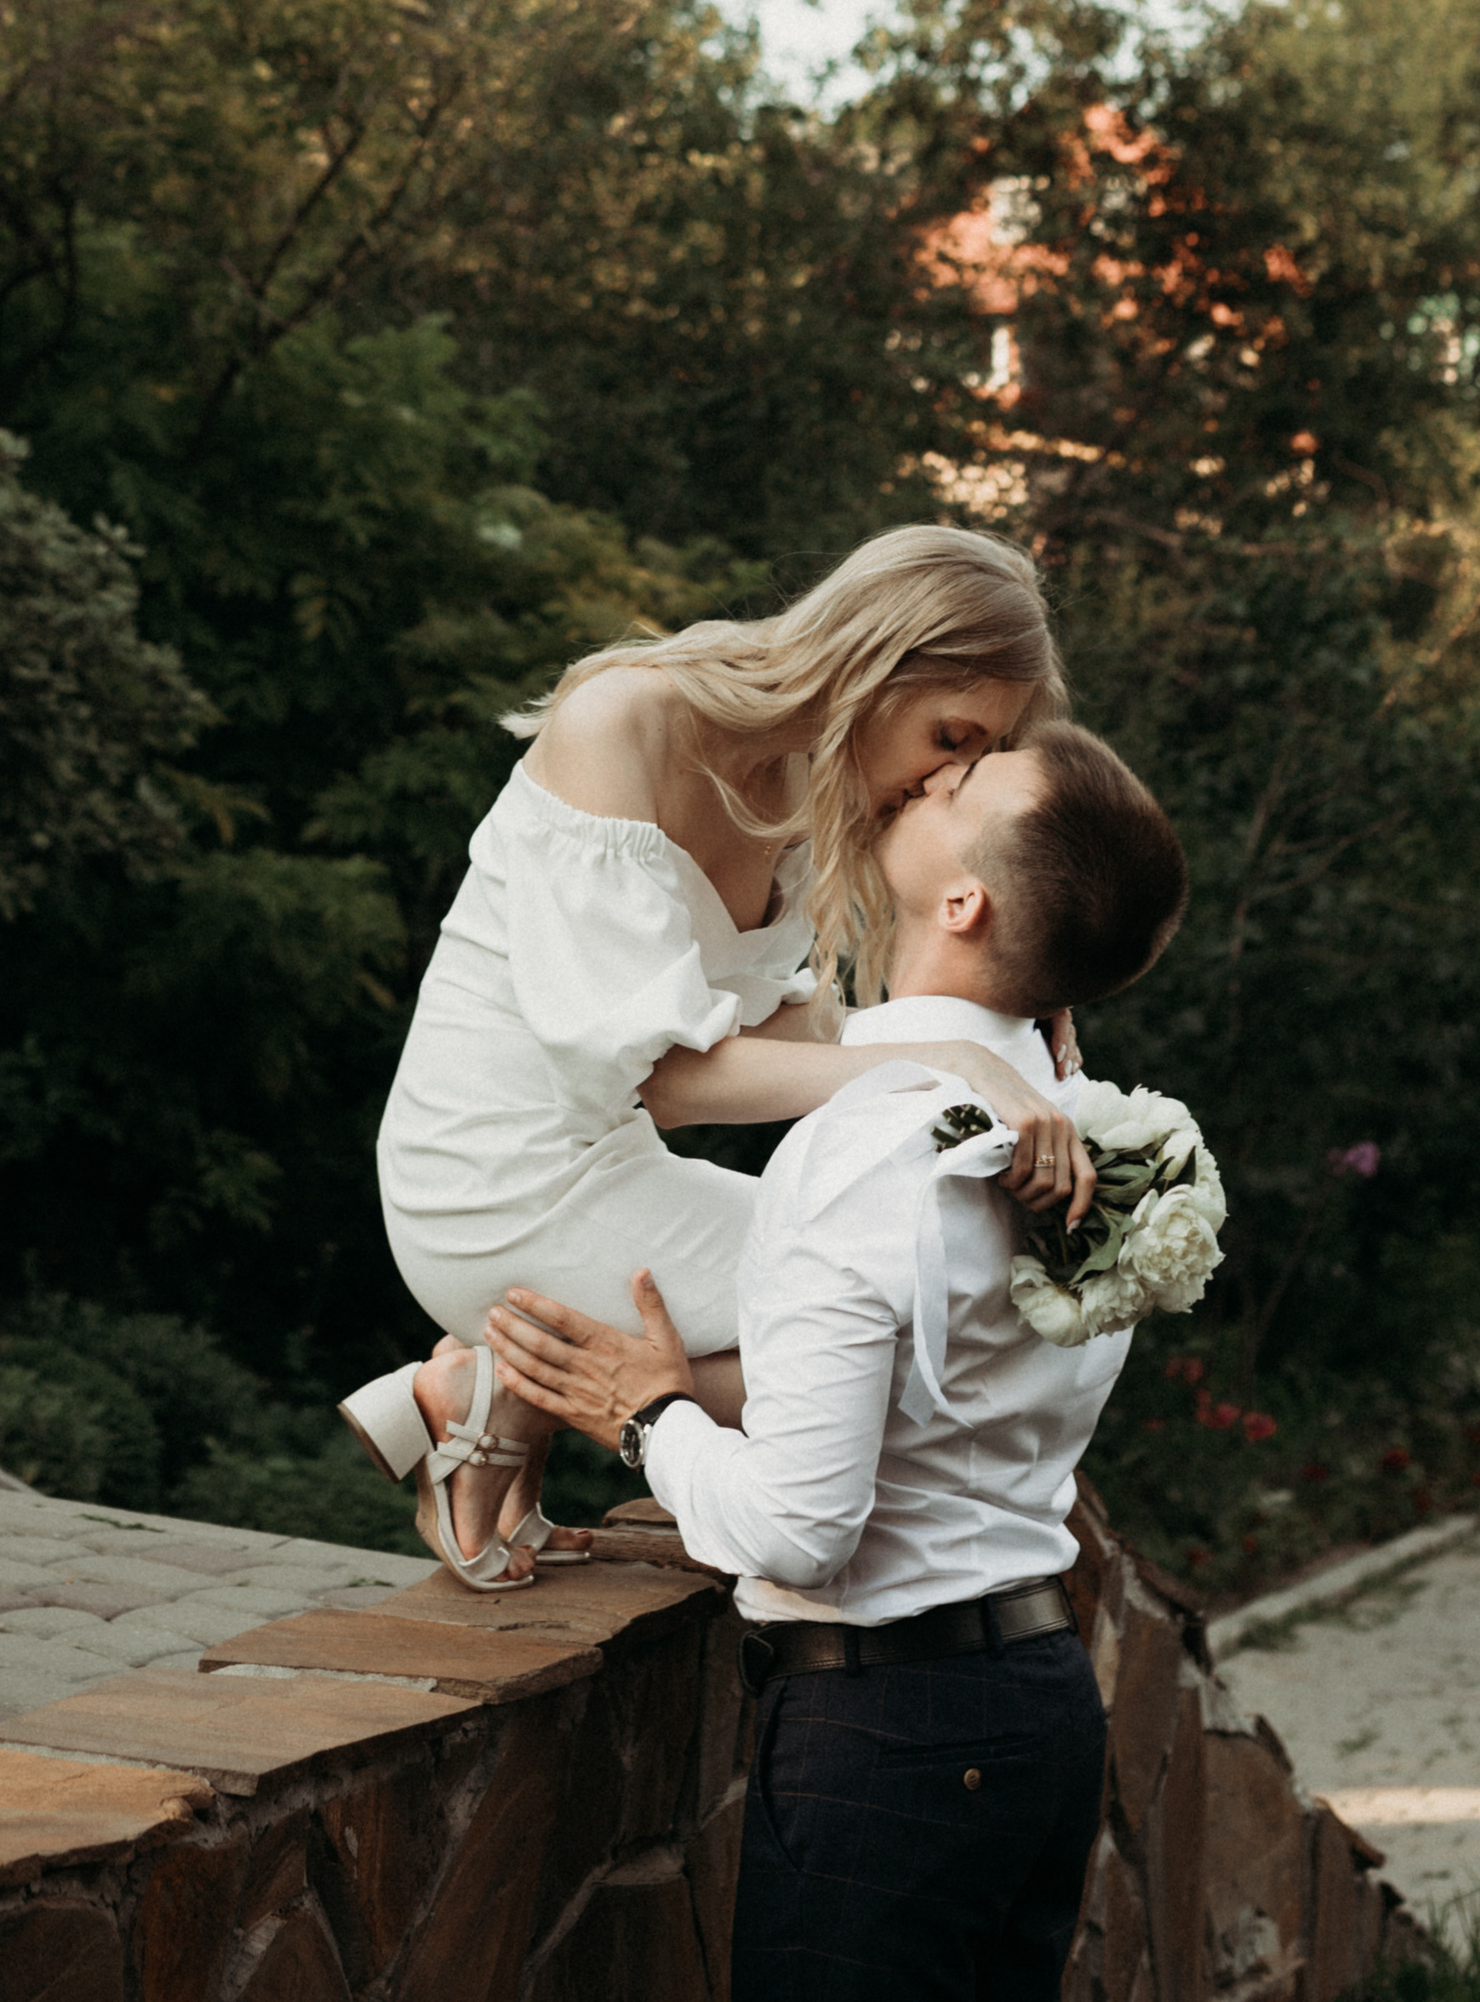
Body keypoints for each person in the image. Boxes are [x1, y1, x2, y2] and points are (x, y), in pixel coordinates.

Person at [489, 717, 1189, 2002]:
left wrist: (649, 1416)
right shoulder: (1084, 1121)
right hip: (1037, 1706)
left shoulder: (868, 1146)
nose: (923, 774)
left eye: (960, 779)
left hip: (896, 1739)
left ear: (965, 898)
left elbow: (803, 1526)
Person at [338, 526, 1101, 1590]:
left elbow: (786, 1042)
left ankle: (504, 1392)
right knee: (902, 1317)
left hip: (610, 1170)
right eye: (947, 733)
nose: (940, 780)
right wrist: (951, 1069)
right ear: (880, 661)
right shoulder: (624, 721)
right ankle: (518, 1388)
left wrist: (1003, 1024)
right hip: (491, 1183)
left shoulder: (811, 782)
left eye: (970, 761)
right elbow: (672, 1079)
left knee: (948, 1293)